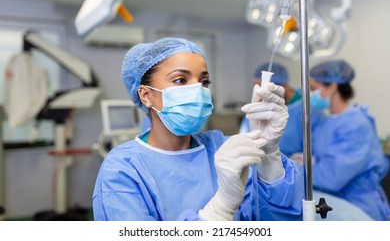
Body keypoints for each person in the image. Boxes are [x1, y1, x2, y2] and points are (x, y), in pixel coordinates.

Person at [92, 37, 304, 221]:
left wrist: (268, 155)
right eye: (180, 80)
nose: (197, 90)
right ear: (146, 95)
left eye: (203, 81)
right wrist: (219, 210)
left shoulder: (222, 148)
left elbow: (277, 223)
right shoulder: (122, 169)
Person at [296, 59, 390, 221]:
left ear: (332, 87)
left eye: (313, 89)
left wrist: (294, 170)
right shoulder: (327, 121)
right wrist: (307, 160)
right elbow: (325, 158)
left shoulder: (356, 125)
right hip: (335, 204)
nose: (310, 95)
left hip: (359, 208)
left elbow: (332, 177)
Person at [240, 62, 324, 157]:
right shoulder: (256, 112)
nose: (260, 95)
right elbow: (244, 144)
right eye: (256, 89)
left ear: (283, 87)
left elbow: (320, 153)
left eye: (263, 89)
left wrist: (297, 163)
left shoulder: (310, 112)